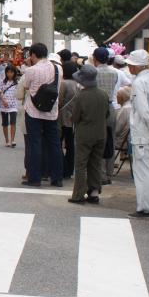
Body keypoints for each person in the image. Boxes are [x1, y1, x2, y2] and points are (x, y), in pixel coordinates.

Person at [18, 43, 63, 188]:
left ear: (32, 55)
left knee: (34, 144)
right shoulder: (58, 69)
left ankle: (35, 178)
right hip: (51, 111)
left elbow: (25, 86)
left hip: (34, 111)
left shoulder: (31, 70)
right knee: (55, 145)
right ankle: (57, 178)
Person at [68, 65, 111, 205]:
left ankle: (78, 195)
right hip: (101, 133)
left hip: (85, 134)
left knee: (81, 164)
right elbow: (107, 114)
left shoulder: (81, 96)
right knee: (95, 163)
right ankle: (94, 192)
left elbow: (75, 118)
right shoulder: (104, 94)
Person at [126, 50, 149, 218]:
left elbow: (144, 111)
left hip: (143, 133)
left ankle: (145, 207)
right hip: (147, 132)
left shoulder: (139, 82)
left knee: (143, 171)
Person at [92, 47, 119, 185]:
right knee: (111, 141)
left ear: (95, 58)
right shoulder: (114, 72)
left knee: (99, 141)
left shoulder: (94, 72)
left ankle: (100, 174)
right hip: (111, 107)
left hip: (98, 108)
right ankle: (109, 173)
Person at [59, 61, 80, 179]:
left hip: (62, 117)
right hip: (73, 118)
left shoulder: (64, 84)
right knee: (71, 144)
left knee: (58, 142)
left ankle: (62, 167)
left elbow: (60, 100)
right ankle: (70, 169)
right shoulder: (78, 84)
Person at [0, 64, 21, 148]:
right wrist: (3, 101)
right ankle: (7, 140)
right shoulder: (2, 82)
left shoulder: (17, 83)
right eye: (8, 72)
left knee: (13, 123)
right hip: (4, 105)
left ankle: (12, 140)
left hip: (13, 105)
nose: (9, 74)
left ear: (14, 73)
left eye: (11, 72)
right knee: (4, 123)